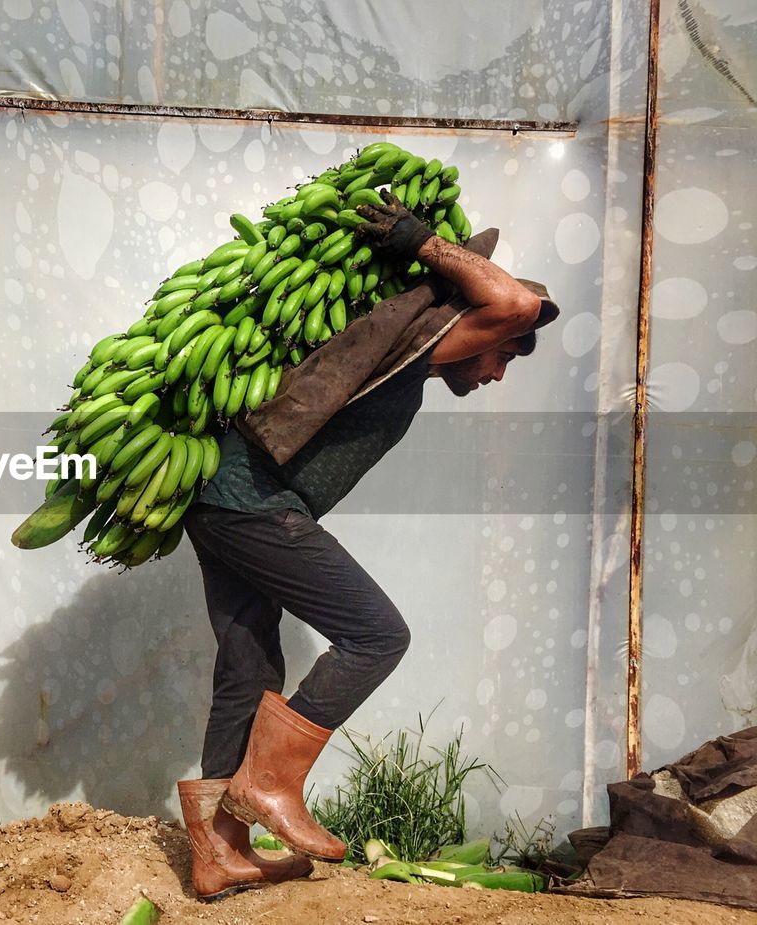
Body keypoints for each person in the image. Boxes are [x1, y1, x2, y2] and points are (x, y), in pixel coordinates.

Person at [174, 191, 560, 899]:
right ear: (474, 330)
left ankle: (217, 854)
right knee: (377, 634)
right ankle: (268, 784)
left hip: (221, 497)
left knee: (248, 662)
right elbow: (515, 305)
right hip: (253, 504)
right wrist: (424, 243)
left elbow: (510, 314)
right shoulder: (422, 338)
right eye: (503, 357)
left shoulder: (393, 339)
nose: (498, 371)